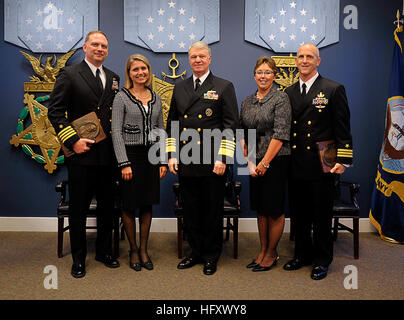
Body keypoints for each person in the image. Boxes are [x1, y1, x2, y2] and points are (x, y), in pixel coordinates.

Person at [48, 31, 120, 278]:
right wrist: (73, 140)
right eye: (96, 45)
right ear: (85, 47)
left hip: (107, 155)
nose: (100, 49)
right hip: (81, 155)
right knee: (78, 208)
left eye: (104, 46)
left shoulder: (113, 77)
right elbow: (55, 112)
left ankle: (103, 251)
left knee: (107, 208)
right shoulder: (69, 74)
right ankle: (78, 258)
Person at [166, 41, 239, 275]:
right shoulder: (180, 87)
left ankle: (211, 255)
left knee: (211, 211)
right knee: (191, 209)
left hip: (212, 161)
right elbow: (172, 124)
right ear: (189, 59)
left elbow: (230, 126)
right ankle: (194, 252)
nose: (197, 60)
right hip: (187, 158)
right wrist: (171, 154)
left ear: (209, 59)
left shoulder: (223, 86)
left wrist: (223, 158)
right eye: (193, 56)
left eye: (201, 56)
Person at [284, 43, 353, 280]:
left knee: (321, 215)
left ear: (318, 61)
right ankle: (301, 255)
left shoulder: (333, 89)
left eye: (309, 57)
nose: (304, 60)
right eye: (301, 56)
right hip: (296, 161)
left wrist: (344, 159)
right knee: (299, 212)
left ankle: (322, 260)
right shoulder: (289, 92)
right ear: (296, 61)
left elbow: (343, 128)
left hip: (323, 160)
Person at [111, 54, 167, 271]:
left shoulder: (156, 97)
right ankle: (133, 249)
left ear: (148, 71)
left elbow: (161, 130)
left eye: (144, 68)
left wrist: (162, 160)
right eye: (135, 69)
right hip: (130, 156)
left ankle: (144, 249)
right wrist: (124, 163)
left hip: (151, 156)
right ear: (129, 73)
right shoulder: (121, 97)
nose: (140, 72)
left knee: (147, 203)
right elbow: (116, 131)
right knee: (128, 204)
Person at [240, 56, 291, 272]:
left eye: (268, 72)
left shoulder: (281, 99)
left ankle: (272, 253)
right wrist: (250, 162)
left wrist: (265, 163)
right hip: (255, 161)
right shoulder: (247, 101)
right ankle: (262, 251)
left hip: (276, 160)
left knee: (274, 210)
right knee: (261, 209)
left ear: (275, 76)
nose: (263, 76)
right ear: (254, 76)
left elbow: (280, 134)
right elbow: (245, 133)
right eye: (260, 72)